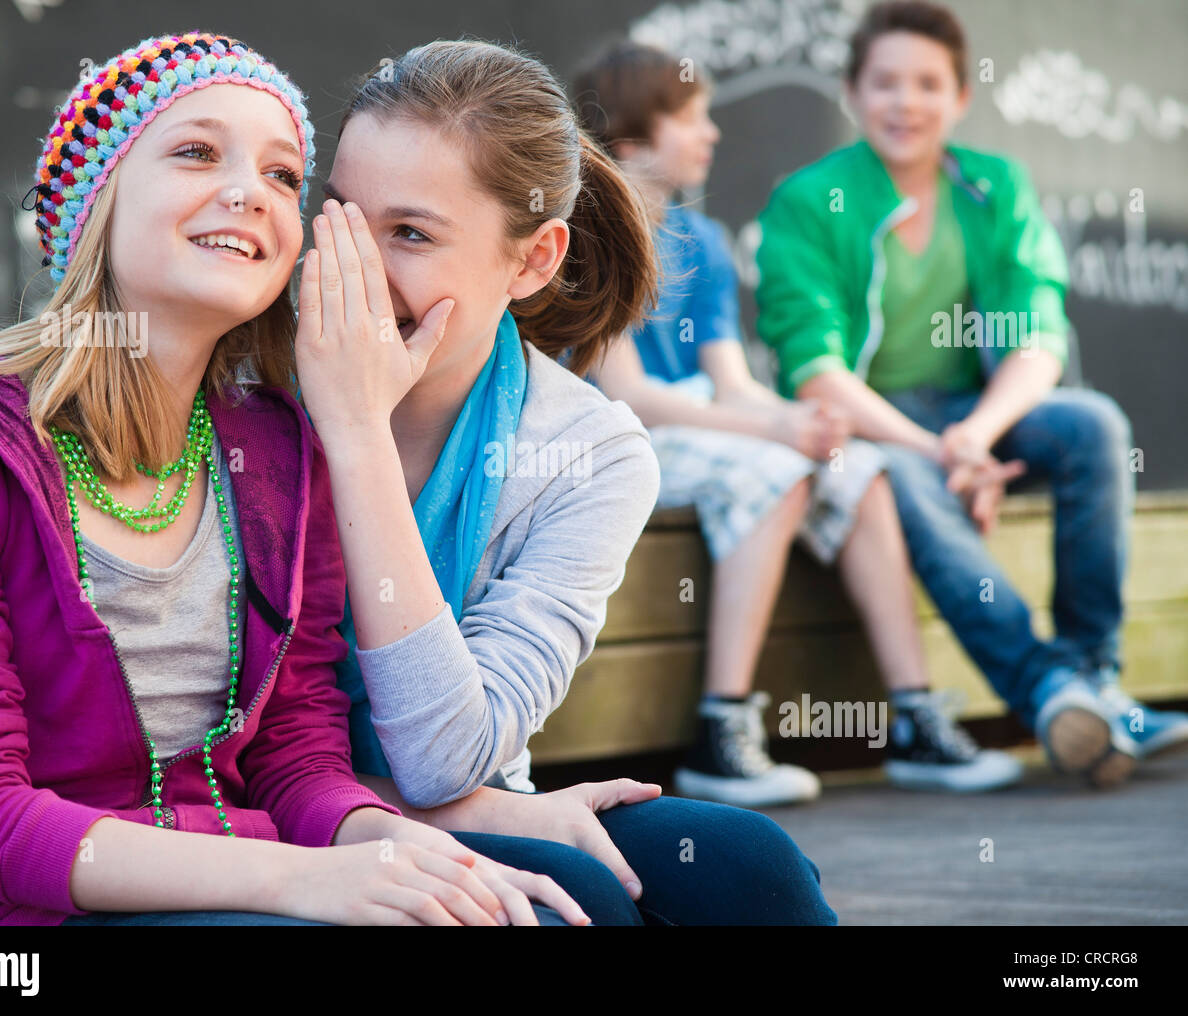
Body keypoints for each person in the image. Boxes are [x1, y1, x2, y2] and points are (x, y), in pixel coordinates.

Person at [0, 31, 588, 927]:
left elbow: (296, 758)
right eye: (195, 152)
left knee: (550, 908)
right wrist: (299, 880)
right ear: (97, 196)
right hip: (10, 928)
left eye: (284, 176)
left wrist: (389, 839)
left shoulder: (279, 450)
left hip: (243, 881)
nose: (246, 192)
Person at [296, 38, 837, 925]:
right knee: (570, 909)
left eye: (411, 233)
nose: (353, 265)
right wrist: (351, 429)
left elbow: (444, 757)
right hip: (267, 816)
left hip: (454, 788)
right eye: (341, 215)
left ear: (534, 260)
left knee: (752, 867)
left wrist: (478, 805)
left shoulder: (590, 451)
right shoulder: (252, 391)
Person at [754, 0, 1188, 787]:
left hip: (971, 415)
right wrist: (938, 449)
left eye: (927, 84)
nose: (905, 102)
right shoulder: (809, 200)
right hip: (871, 424)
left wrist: (977, 435)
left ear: (960, 98)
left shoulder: (997, 187)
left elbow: (1038, 339)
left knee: (1094, 423)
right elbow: (816, 371)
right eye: (884, 83)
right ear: (852, 92)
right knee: (908, 475)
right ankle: (1049, 688)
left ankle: (1096, 679)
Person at [574, 40, 1022, 802]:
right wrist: (776, 435)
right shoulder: (589, 234)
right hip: (609, 441)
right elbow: (633, 400)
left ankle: (913, 715)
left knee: (861, 466)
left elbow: (732, 384)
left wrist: (802, 419)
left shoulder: (705, 242)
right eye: (691, 118)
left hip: (700, 427)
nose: (711, 133)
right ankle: (723, 729)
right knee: (779, 468)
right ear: (632, 137)